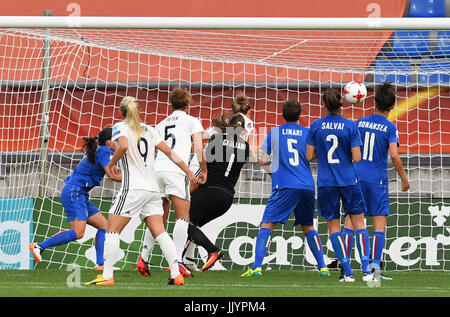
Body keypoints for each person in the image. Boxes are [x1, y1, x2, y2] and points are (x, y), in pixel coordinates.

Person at [85, 96, 198, 286]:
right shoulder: (149, 129)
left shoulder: (120, 127)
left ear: (121, 112)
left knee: (112, 229)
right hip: (153, 188)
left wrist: (112, 163)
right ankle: (176, 274)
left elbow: (124, 146)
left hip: (133, 188)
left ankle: (107, 276)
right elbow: (171, 153)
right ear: (138, 110)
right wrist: (188, 171)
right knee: (160, 232)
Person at [241, 100, 329, 278]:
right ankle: (323, 267)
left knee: (267, 224)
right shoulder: (308, 133)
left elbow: (264, 159)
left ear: (282, 115)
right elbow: (312, 156)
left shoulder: (275, 132)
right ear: (299, 115)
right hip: (307, 185)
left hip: (285, 185)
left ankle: (257, 267)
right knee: (308, 226)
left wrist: (263, 160)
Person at [342, 82, 410, 280]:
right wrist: (404, 179)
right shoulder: (390, 127)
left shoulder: (360, 122)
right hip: (376, 180)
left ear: (374, 102)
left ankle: (345, 269)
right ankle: (374, 270)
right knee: (379, 226)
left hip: (355, 177)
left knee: (350, 222)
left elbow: (349, 149)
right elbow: (395, 156)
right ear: (392, 105)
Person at [137, 87, 207, 278]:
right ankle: (177, 262)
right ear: (188, 104)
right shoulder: (192, 121)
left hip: (156, 169)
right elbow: (199, 148)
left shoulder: (160, 123)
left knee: (158, 215)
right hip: (175, 170)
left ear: (171, 104)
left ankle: (143, 258)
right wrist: (203, 169)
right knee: (183, 216)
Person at [29, 127, 121, 269]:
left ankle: (101, 265)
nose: (119, 143)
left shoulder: (102, 148)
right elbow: (112, 175)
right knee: (78, 232)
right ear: (109, 142)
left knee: (105, 226)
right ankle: (39, 246)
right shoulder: (104, 151)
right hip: (75, 192)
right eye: (116, 140)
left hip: (80, 193)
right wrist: (134, 179)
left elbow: (112, 170)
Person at [306, 89, 372, 282]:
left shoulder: (316, 126)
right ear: (342, 103)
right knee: (359, 224)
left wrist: (323, 150)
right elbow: (357, 157)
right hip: (349, 181)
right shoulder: (351, 126)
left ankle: (348, 272)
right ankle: (367, 271)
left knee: (333, 227)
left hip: (327, 183)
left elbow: (309, 156)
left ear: (324, 105)